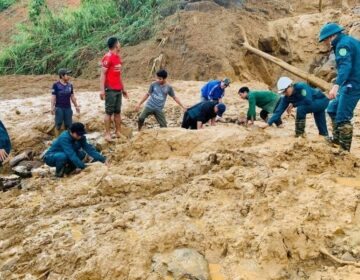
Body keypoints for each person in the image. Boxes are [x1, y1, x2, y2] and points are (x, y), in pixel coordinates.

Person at [319, 22, 360, 151]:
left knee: (343, 117)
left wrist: (336, 86)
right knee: (332, 109)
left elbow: (345, 67)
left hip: (353, 84)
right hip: (349, 82)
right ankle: (337, 139)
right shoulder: (350, 40)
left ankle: (344, 151)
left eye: (325, 40)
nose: (325, 43)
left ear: (331, 36)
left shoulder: (342, 45)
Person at [260, 77, 329, 137]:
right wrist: (268, 123)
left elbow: (308, 100)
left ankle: (299, 134)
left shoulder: (301, 86)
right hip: (315, 105)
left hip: (321, 100)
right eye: (283, 92)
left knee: (301, 109)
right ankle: (325, 137)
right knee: (322, 130)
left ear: (290, 86)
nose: (285, 93)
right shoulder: (286, 98)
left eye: (285, 91)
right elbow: (278, 111)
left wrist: (294, 104)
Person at [100, 37, 129, 142]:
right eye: (119, 43)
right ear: (116, 45)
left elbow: (119, 75)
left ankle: (118, 131)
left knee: (118, 112)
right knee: (108, 112)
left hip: (118, 89)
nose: (120, 45)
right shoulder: (107, 57)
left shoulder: (117, 57)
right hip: (110, 89)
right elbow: (102, 74)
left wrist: (123, 88)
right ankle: (107, 133)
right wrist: (102, 90)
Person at [51, 68, 80, 135]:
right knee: (58, 124)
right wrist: (52, 107)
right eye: (67, 74)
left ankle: (68, 140)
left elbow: (72, 96)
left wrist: (76, 106)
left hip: (68, 108)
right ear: (62, 76)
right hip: (59, 107)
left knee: (69, 125)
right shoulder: (56, 85)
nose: (69, 76)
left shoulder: (70, 85)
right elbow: (53, 96)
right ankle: (57, 140)